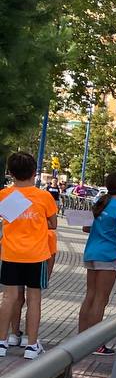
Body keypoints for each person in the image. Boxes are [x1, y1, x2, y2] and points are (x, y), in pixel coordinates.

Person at [0, 152, 59, 359]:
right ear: (34, 172)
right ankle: (32, 345)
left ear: (11, 172)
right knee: (34, 299)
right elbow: (53, 223)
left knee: (9, 297)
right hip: (36, 254)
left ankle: (2, 342)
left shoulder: (3, 195)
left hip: (11, 253)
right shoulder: (44, 197)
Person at [77, 172, 116, 353]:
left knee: (90, 296)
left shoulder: (100, 203)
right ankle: (95, 343)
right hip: (108, 255)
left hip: (91, 252)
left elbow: (86, 227)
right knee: (101, 299)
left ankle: (81, 338)